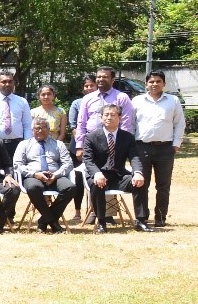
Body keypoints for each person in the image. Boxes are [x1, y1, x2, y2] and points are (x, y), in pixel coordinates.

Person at [82, 104, 147, 233]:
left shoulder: (127, 137)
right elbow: (88, 160)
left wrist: (138, 173)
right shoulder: (91, 137)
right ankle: (101, 222)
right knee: (97, 185)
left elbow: (134, 157)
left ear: (120, 118)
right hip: (99, 175)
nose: (109, 118)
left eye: (113, 115)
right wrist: (96, 173)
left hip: (119, 175)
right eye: (106, 115)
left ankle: (141, 221)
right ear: (101, 118)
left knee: (140, 183)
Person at [131, 71, 183, 228]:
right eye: (151, 81)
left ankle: (160, 217)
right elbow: (131, 124)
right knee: (140, 184)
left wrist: (176, 144)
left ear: (164, 84)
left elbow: (179, 123)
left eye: (158, 81)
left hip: (165, 148)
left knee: (163, 186)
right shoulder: (137, 101)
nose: (154, 84)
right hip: (141, 147)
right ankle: (142, 218)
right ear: (146, 84)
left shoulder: (173, 101)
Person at [13, 118, 75, 233]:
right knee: (33, 188)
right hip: (33, 176)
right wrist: (35, 174)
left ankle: (43, 220)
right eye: (37, 128)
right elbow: (17, 165)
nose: (39, 130)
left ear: (49, 129)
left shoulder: (58, 144)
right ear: (32, 130)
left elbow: (68, 163)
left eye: (43, 128)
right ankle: (52, 222)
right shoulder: (24, 144)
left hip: (55, 175)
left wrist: (55, 175)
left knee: (70, 188)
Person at [77, 66, 136, 160]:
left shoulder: (121, 97)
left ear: (113, 80)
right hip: (91, 142)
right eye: (98, 77)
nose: (101, 79)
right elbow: (81, 123)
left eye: (105, 77)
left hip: (113, 143)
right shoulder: (87, 98)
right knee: (91, 172)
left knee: (112, 173)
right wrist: (79, 145)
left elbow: (126, 124)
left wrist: (122, 145)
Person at [67, 74, 95, 223]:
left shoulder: (102, 102)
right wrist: (81, 146)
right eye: (86, 86)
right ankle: (77, 213)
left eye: (92, 85)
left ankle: (96, 212)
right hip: (78, 147)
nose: (89, 88)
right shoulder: (77, 103)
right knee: (78, 180)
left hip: (98, 147)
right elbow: (74, 127)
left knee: (95, 179)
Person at [0, 72, 32, 154]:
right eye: (4, 82)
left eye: (10, 81)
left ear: (14, 83)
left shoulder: (22, 102)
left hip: (18, 145)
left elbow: (27, 125)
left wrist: (28, 144)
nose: (7, 84)